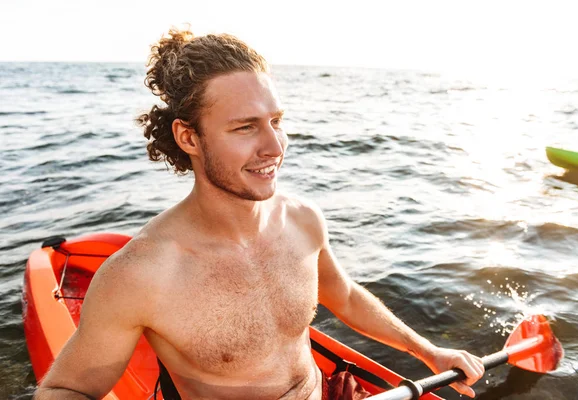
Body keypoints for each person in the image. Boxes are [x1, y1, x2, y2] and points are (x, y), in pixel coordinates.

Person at [34, 28, 484, 400]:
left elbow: (343, 295)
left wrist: (429, 352)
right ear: (188, 138)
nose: (275, 146)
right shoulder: (142, 273)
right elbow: (67, 389)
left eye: (276, 120)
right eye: (245, 127)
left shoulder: (302, 220)